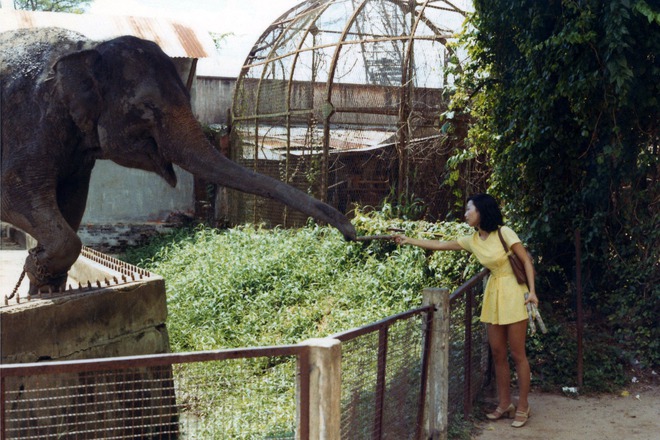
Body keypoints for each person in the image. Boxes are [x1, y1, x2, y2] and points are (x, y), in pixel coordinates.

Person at [393, 193, 538, 428]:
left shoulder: (505, 233)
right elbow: (440, 245)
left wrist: (532, 292)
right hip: (493, 296)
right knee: (498, 353)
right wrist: (408, 240)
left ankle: (523, 405)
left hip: (514, 294)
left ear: (481, 211)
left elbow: (527, 261)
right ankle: (504, 403)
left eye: (469, 209)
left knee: (517, 354)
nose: (465, 214)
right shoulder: (472, 240)